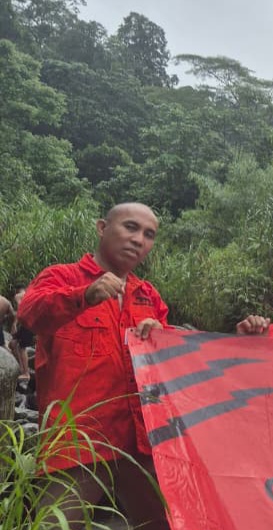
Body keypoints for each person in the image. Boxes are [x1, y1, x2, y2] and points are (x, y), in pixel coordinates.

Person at [17, 202, 169, 530]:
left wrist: (164, 338)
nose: (139, 240)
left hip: (139, 442)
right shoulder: (61, 277)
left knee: (162, 524)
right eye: (130, 227)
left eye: (149, 234)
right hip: (79, 442)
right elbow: (29, 314)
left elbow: (173, 371)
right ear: (102, 228)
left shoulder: (148, 296)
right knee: (55, 525)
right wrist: (84, 295)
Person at [8, 286, 33, 380]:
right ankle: (22, 368)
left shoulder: (18, 296)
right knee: (13, 344)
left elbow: (21, 309)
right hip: (26, 324)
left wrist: (14, 324)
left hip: (27, 324)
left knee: (22, 348)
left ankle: (26, 373)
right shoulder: (29, 296)